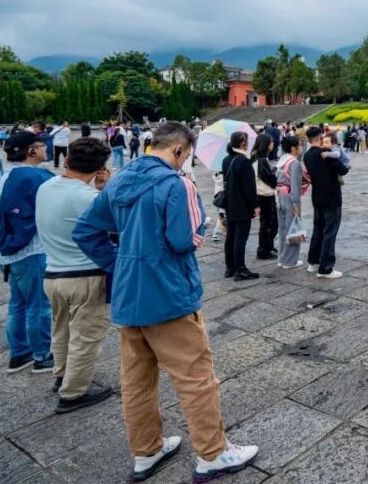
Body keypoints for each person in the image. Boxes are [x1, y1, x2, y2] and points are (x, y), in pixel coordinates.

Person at [73, 122, 258, 481]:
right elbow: (182, 240)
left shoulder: (120, 180)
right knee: (196, 377)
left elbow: (85, 230)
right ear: (177, 149)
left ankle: (146, 450)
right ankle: (212, 452)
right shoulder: (176, 184)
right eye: (186, 155)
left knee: (137, 381)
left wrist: (120, 263)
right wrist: (199, 223)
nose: (185, 161)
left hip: (129, 296)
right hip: (168, 295)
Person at [36, 137, 114, 413]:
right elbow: (116, 227)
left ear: (67, 159)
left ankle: (62, 374)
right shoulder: (90, 198)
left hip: (53, 273)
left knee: (61, 329)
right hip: (85, 275)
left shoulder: (45, 187)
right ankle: (73, 393)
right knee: (86, 337)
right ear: (100, 168)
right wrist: (104, 189)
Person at [0, 131, 56, 375]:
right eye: (42, 145)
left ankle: (19, 353)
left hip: (6, 252)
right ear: (31, 151)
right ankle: (42, 356)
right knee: (39, 306)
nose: (46, 148)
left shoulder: (8, 175)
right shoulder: (34, 177)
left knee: (17, 303)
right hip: (31, 252)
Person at [303, 128, 350, 279]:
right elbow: (343, 169)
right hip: (331, 197)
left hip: (317, 196)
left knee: (318, 230)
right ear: (320, 137)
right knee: (330, 231)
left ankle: (313, 261)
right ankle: (326, 267)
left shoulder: (307, 155)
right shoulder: (326, 153)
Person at [221, 131, 259, 281]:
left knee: (231, 236)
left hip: (230, 203)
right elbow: (249, 187)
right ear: (243, 143)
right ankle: (240, 269)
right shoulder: (243, 161)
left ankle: (230, 267)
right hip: (242, 204)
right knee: (240, 238)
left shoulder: (226, 160)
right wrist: (255, 205)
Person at [275, 135, 306, 269]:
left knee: (282, 229)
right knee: (293, 228)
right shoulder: (294, 163)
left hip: (279, 196)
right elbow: (295, 185)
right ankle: (290, 260)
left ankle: (282, 258)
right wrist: (296, 204)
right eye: (300, 145)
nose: (301, 147)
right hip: (289, 197)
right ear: (293, 148)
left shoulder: (282, 160)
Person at [251, 134, 279, 261]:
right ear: (266, 144)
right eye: (271, 142)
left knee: (269, 223)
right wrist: (275, 172)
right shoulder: (261, 160)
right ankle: (263, 250)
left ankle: (268, 247)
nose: (273, 143)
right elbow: (270, 179)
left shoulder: (257, 157)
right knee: (269, 224)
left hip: (262, 194)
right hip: (265, 195)